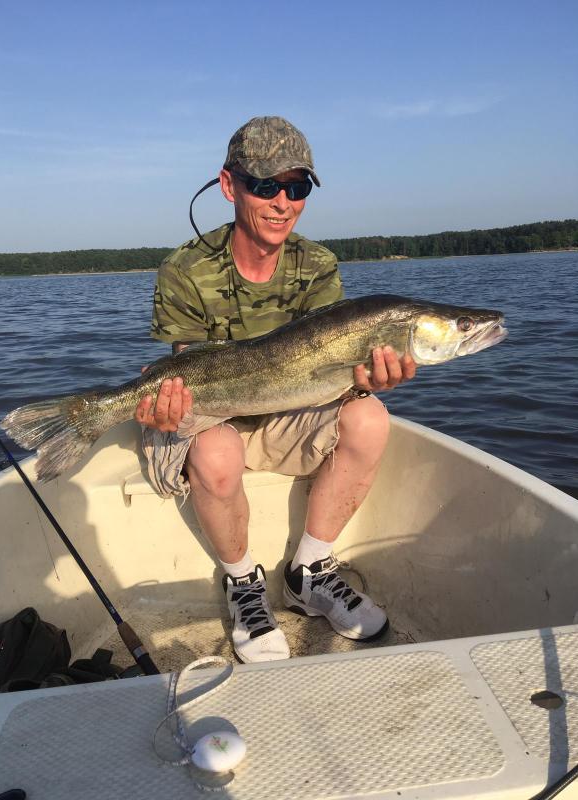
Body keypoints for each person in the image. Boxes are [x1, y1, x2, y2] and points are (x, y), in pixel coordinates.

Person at [135, 116, 416, 663]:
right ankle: (243, 583)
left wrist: (365, 379)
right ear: (229, 186)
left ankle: (309, 572)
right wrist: (166, 410)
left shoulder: (318, 265)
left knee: (369, 417)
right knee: (216, 452)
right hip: (215, 416)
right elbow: (191, 378)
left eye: (297, 187)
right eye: (266, 185)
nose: (282, 202)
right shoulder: (185, 269)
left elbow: (330, 371)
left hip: (286, 412)